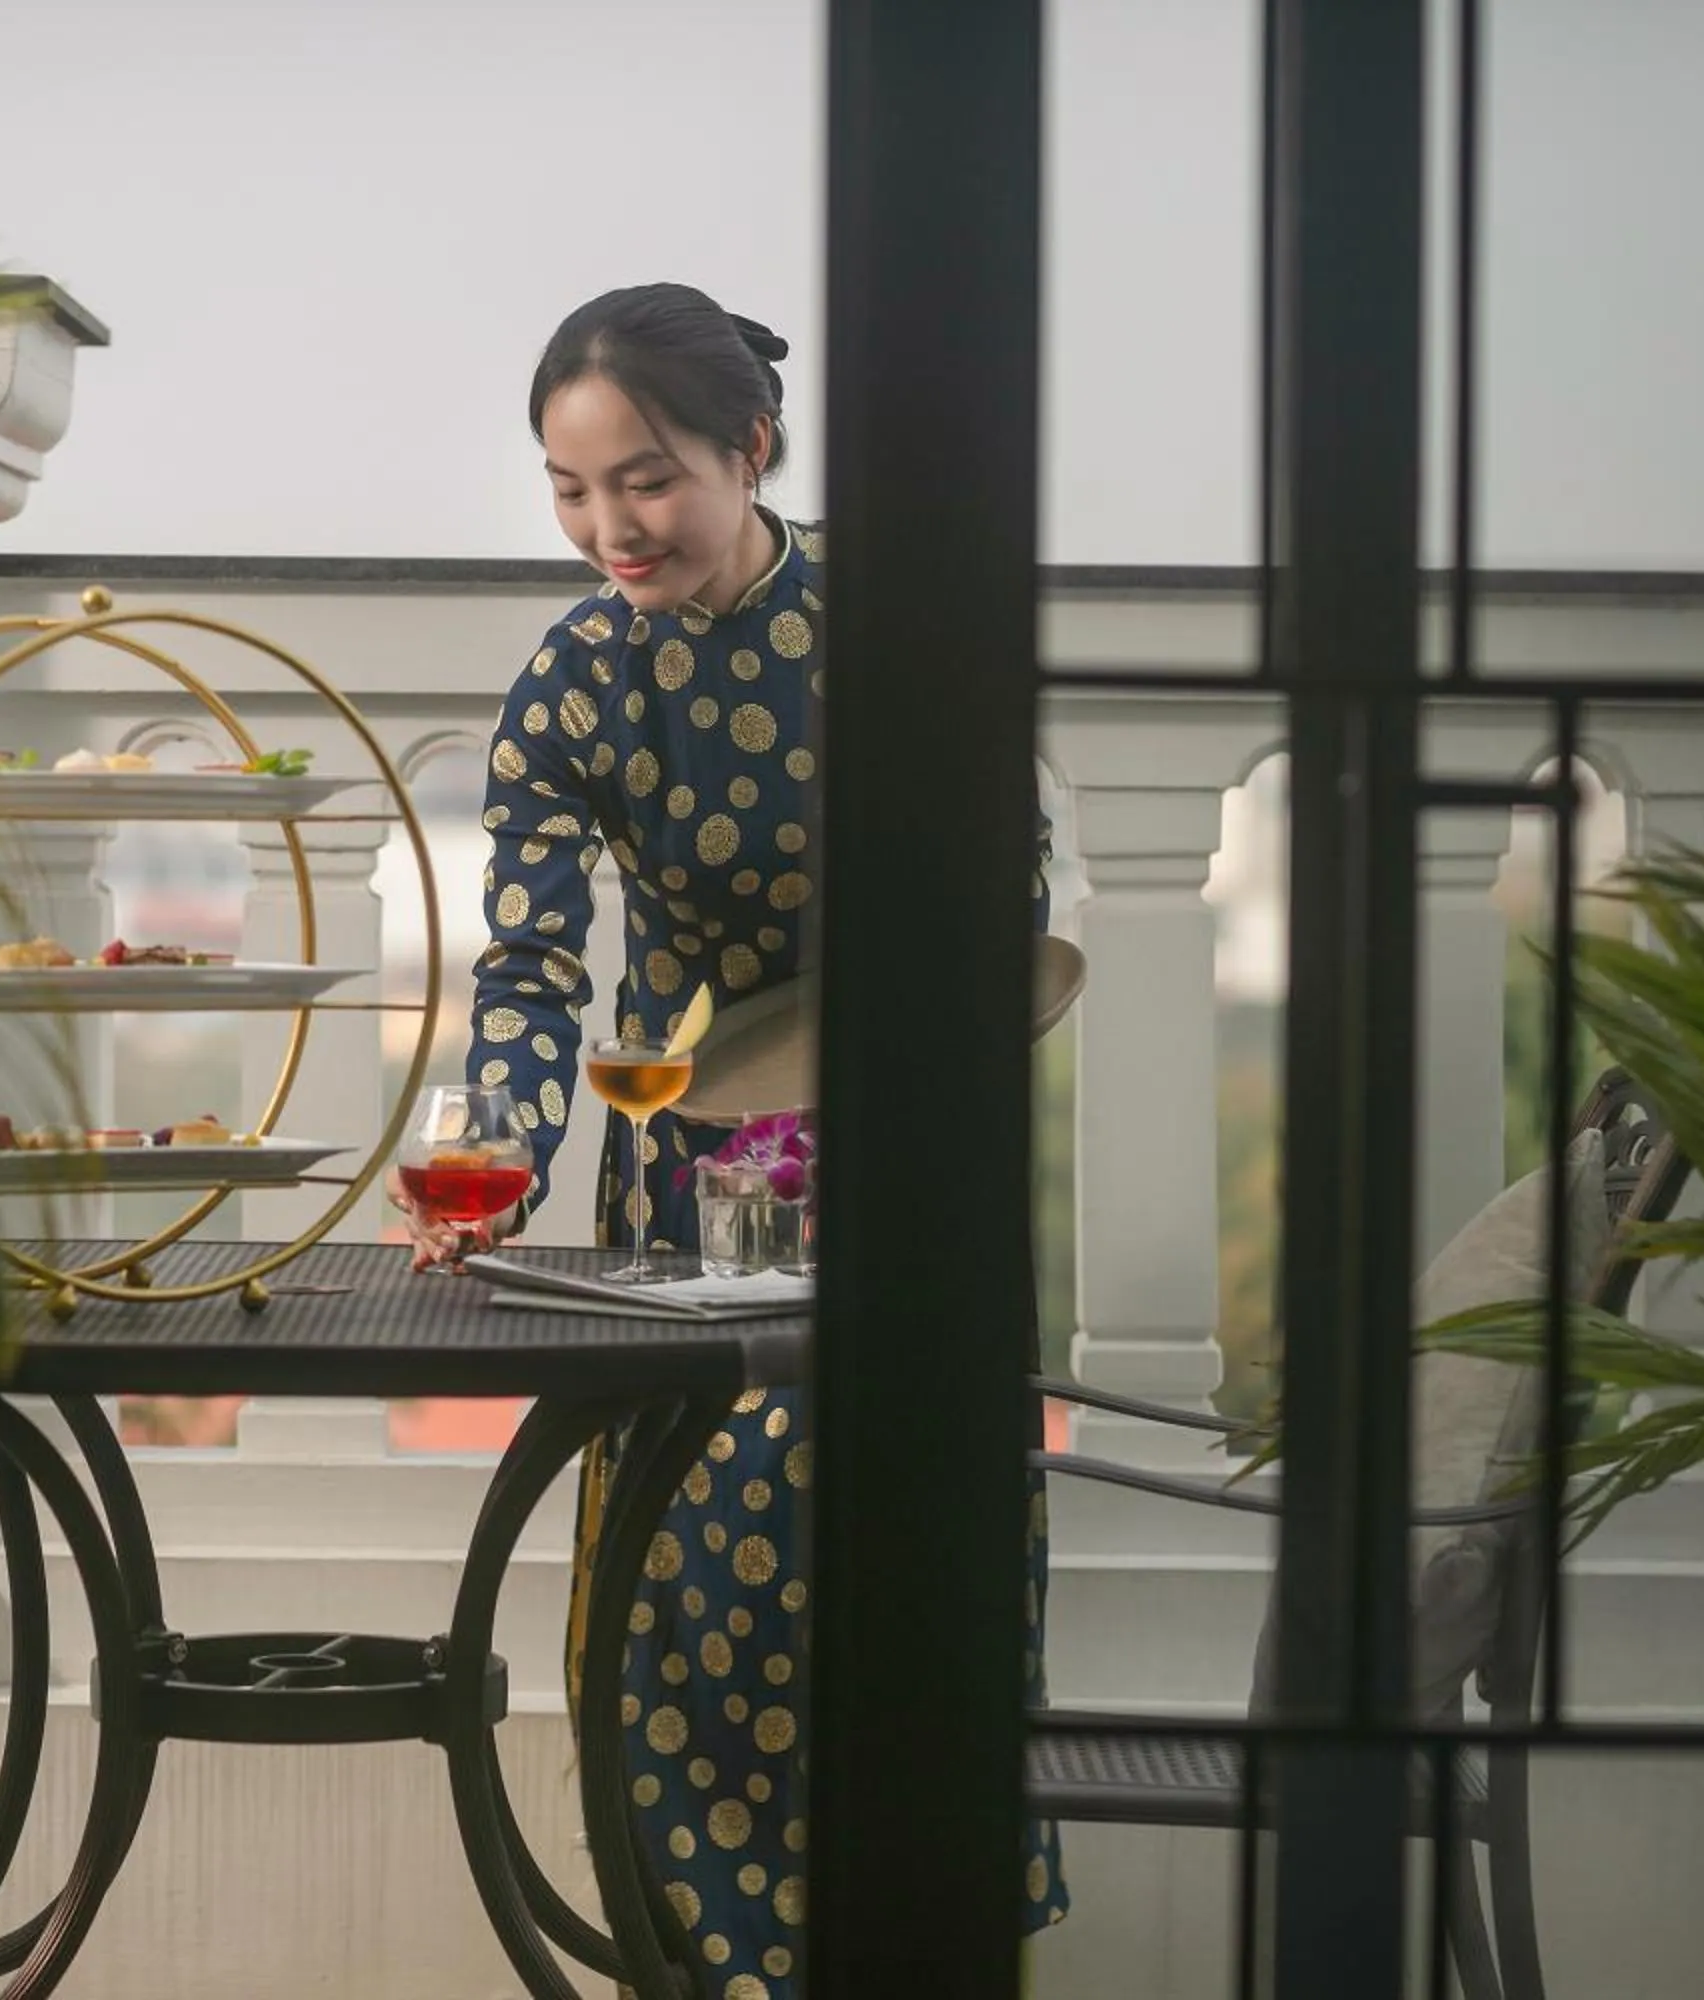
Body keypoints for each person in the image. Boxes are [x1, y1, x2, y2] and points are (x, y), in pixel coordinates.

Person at [400, 283, 1068, 1993]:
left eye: (648, 480)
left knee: (895, 1609)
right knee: (683, 1613)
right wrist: (499, 1161)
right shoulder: (574, 676)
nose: (608, 526)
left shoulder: (899, 619)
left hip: (911, 1148)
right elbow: (537, 961)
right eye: (569, 487)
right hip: (699, 1174)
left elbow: (1003, 892)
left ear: (749, 450)